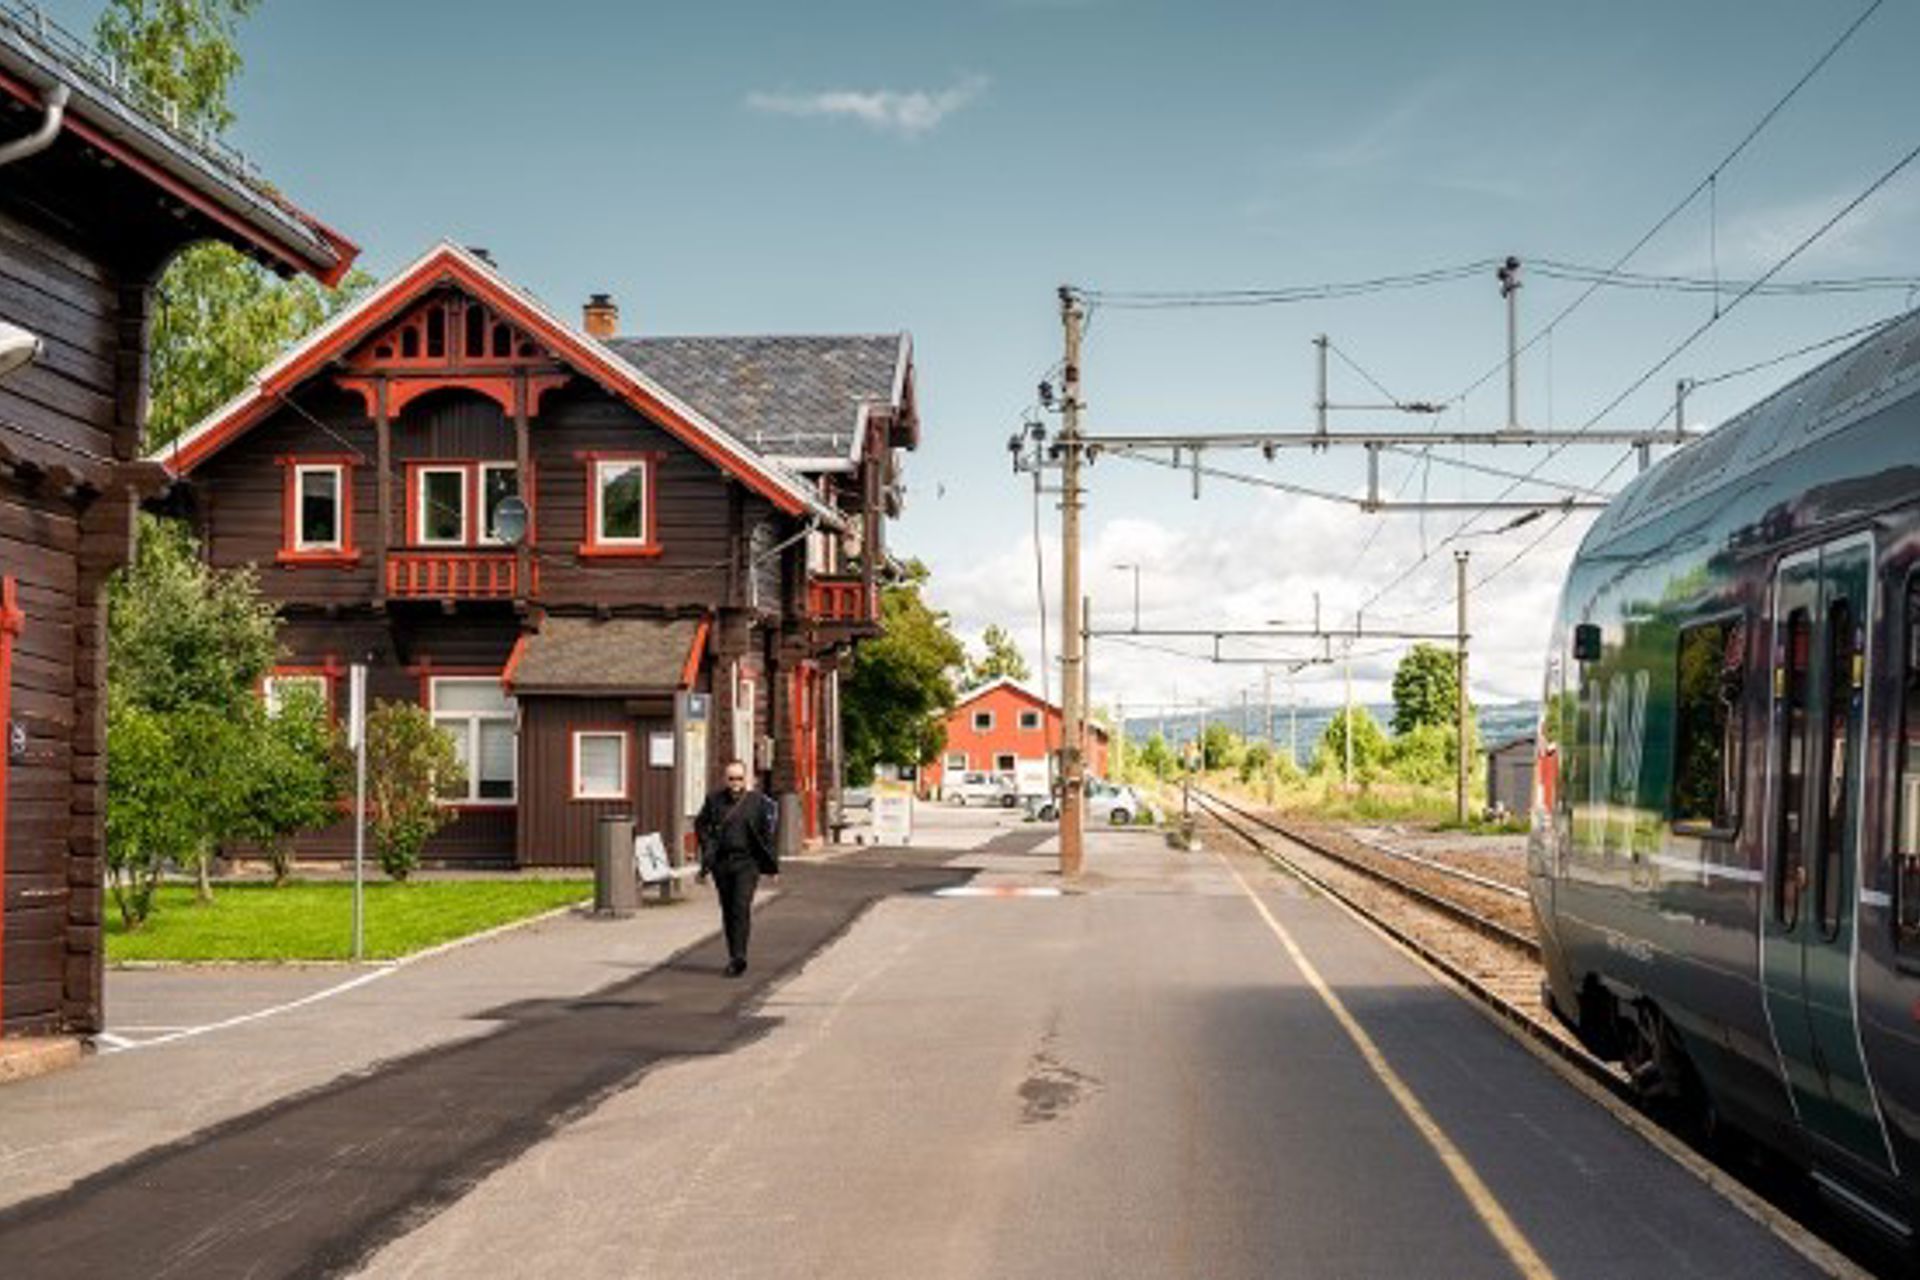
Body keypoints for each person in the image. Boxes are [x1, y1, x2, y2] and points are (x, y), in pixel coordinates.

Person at [694, 761, 779, 976]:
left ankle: (739, 956)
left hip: (747, 863)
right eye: (731, 778)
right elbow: (701, 824)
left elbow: (766, 835)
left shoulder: (757, 802)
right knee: (728, 909)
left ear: (746, 780)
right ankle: (733, 954)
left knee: (741, 907)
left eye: (739, 778)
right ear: (725, 779)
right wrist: (707, 848)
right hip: (722, 863)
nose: (735, 783)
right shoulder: (714, 800)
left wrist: (772, 865)